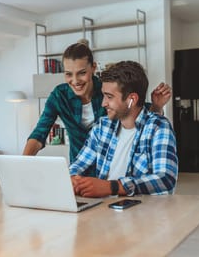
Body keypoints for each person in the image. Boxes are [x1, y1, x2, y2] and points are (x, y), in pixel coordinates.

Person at [23, 42, 172, 172]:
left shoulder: (107, 89)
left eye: (82, 73)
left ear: (93, 68)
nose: (75, 81)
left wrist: (157, 106)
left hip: (110, 167)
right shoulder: (59, 96)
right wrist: (22, 164)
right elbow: (39, 133)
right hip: (80, 166)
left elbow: (138, 111)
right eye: (69, 74)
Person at [69, 60, 178, 197]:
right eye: (104, 95)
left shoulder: (159, 127)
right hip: (104, 209)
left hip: (142, 213)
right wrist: (72, 179)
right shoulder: (102, 127)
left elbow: (165, 179)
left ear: (131, 99)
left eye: (109, 97)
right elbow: (78, 165)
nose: (103, 103)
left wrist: (113, 187)